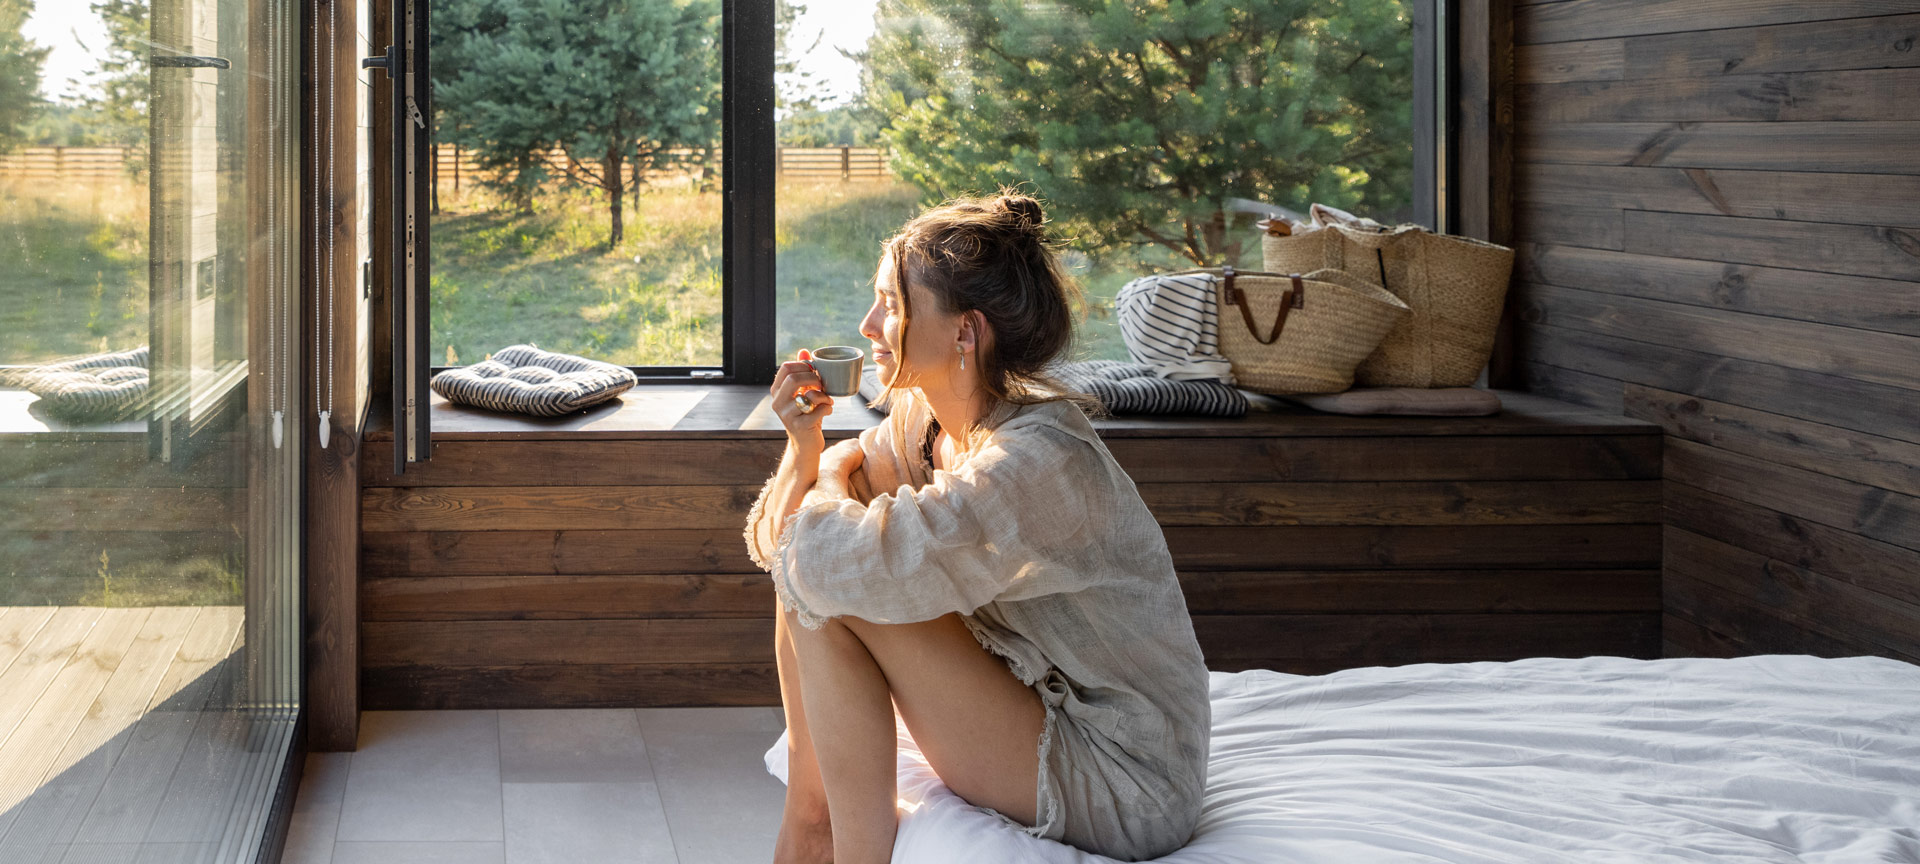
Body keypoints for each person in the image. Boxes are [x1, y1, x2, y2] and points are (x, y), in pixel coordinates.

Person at [744, 193, 1210, 864]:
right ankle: (812, 825)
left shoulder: (1038, 463)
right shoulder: (922, 422)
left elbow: (817, 560)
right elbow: (785, 550)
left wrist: (831, 494)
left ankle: (823, 838)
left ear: (965, 332)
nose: (870, 324)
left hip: (1122, 776)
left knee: (836, 581)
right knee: (828, 574)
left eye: (895, 307)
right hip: (1028, 695)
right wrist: (806, 448)